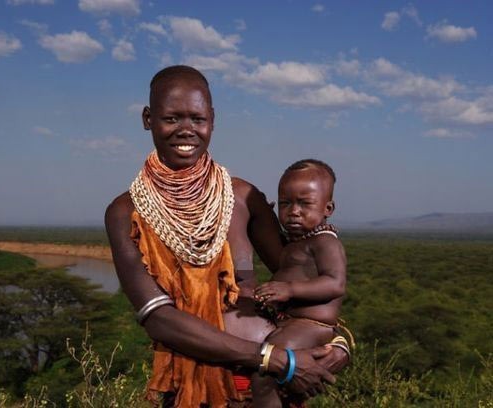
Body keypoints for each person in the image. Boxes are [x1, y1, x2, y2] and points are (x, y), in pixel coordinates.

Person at [104, 65, 349, 407]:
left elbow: (300, 277)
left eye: (197, 119)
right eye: (172, 119)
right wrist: (271, 358)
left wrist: (336, 342)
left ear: (213, 120)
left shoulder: (244, 197)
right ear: (148, 119)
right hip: (201, 389)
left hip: (275, 385)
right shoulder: (125, 213)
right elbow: (158, 319)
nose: (186, 130)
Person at [249, 159, 348, 407]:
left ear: (328, 208)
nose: (293, 211)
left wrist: (289, 289)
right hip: (295, 324)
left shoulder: (325, 241)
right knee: (282, 382)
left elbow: (335, 283)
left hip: (312, 326)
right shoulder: (299, 240)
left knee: (266, 371)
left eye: (304, 204)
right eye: (285, 203)